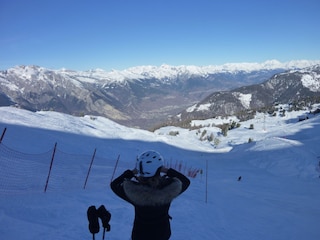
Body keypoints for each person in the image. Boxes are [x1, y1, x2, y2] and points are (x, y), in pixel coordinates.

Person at [110, 150, 190, 240]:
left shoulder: (134, 192)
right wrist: (168, 171)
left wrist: (132, 172)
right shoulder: (168, 189)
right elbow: (186, 181)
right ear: (159, 169)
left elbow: (114, 185)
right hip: (162, 235)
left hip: (140, 236)